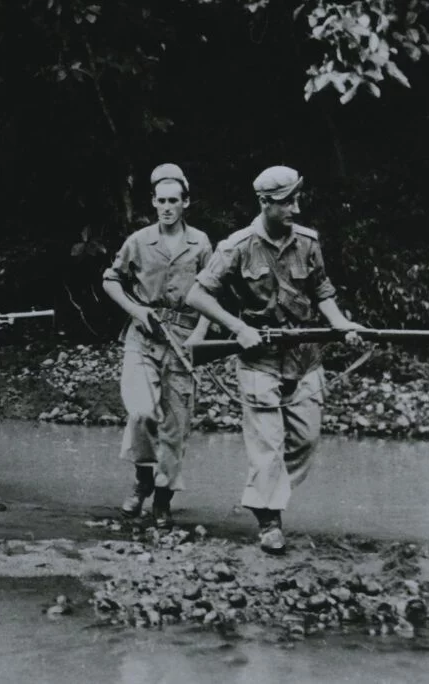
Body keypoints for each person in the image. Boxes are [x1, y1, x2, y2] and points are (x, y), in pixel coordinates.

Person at [185, 166, 364, 554]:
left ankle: (266, 494)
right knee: (267, 445)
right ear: (265, 203)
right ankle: (269, 520)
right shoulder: (236, 246)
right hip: (258, 360)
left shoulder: (307, 243)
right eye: (287, 202)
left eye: (297, 199)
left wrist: (342, 324)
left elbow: (321, 289)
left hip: (304, 359)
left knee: (306, 439)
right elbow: (197, 296)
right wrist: (238, 328)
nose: (296, 209)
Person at [102, 164, 213, 527]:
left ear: (186, 203)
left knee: (176, 426)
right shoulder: (138, 241)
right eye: (161, 200)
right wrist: (135, 309)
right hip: (143, 337)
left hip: (183, 341)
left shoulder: (200, 243)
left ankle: (163, 499)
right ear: (153, 202)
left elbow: (212, 291)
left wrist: (201, 334)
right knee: (141, 412)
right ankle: (142, 480)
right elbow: (111, 280)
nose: (166, 207)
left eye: (173, 201)